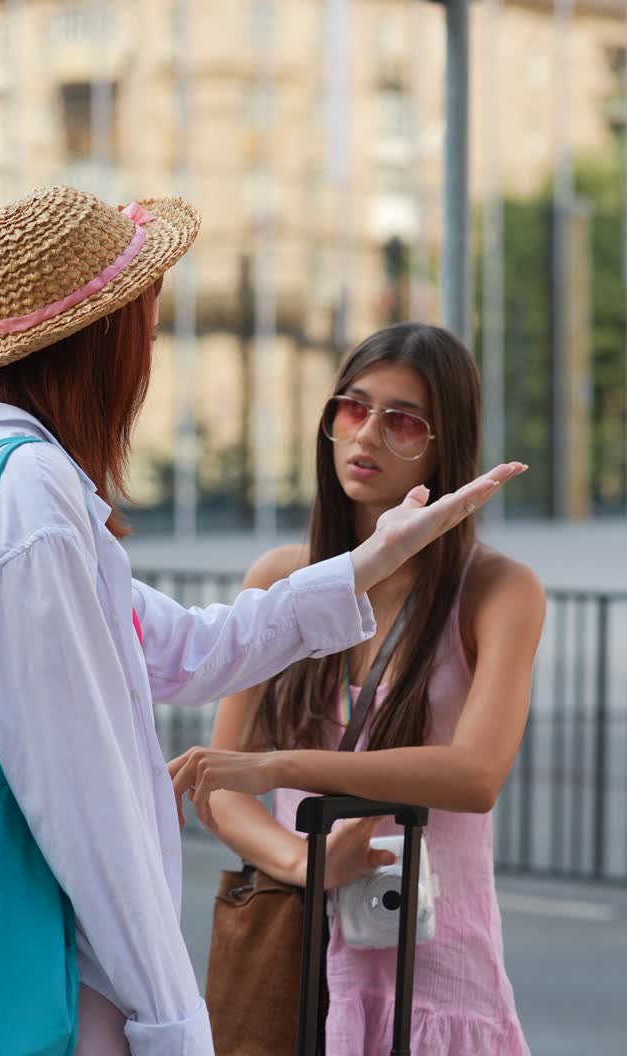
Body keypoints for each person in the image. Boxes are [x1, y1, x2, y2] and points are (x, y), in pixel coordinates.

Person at [0, 193, 524, 1056]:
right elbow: (88, 809)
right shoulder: (31, 505)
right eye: (145, 326)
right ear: (99, 343)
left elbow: (182, 647)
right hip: (47, 979)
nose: (151, 351)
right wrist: (170, 1022)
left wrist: (368, 561)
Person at [172, 323, 543, 1055]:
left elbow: (476, 775)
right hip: (296, 965)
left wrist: (281, 767)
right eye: (353, 408)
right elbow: (221, 788)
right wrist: (302, 863)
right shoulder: (283, 579)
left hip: (434, 977)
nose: (367, 434)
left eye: (402, 421)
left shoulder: (497, 590)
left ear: (443, 446)